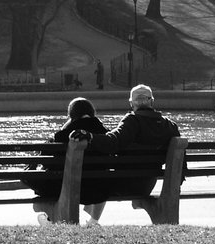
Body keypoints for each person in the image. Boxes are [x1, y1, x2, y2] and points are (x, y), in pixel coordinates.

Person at [69, 84, 180, 215]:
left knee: (97, 176)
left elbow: (113, 142)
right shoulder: (170, 126)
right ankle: (92, 221)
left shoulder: (133, 121)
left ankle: (91, 220)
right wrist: (178, 181)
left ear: (131, 103)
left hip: (125, 185)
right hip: (147, 185)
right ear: (152, 101)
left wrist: (90, 136)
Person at [22, 97, 108, 198]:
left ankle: (49, 212)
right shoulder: (106, 136)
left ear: (71, 115)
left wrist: (65, 127)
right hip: (99, 188)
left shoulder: (63, 135)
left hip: (66, 188)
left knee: (27, 177)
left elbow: (46, 160)